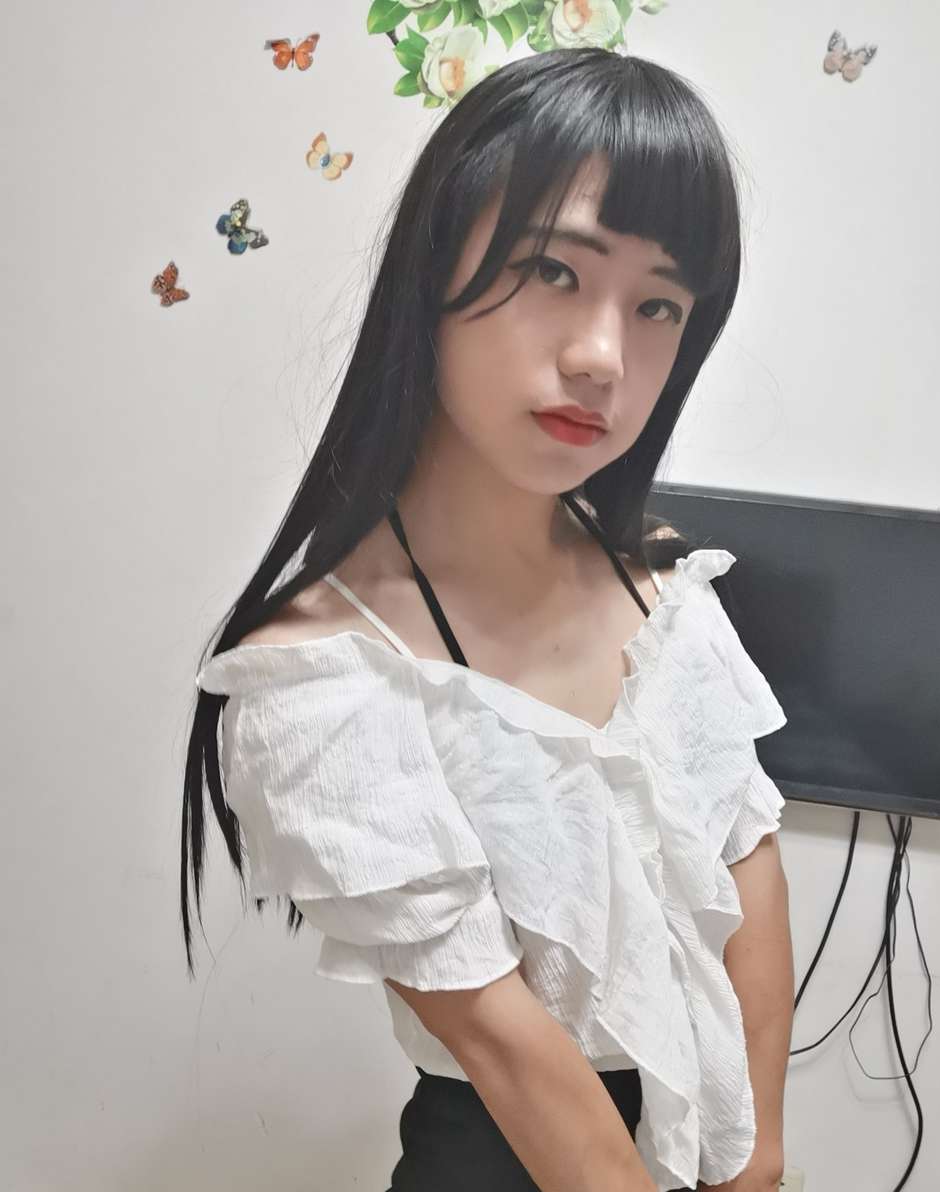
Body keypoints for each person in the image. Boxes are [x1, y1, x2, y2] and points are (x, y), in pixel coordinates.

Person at [183, 48, 793, 1192]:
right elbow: (503, 1046)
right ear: (433, 271)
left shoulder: (664, 591)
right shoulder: (324, 679)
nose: (603, 356)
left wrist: (756, 1162)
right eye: (554, 270)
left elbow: (748, 863)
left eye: (658, 304)